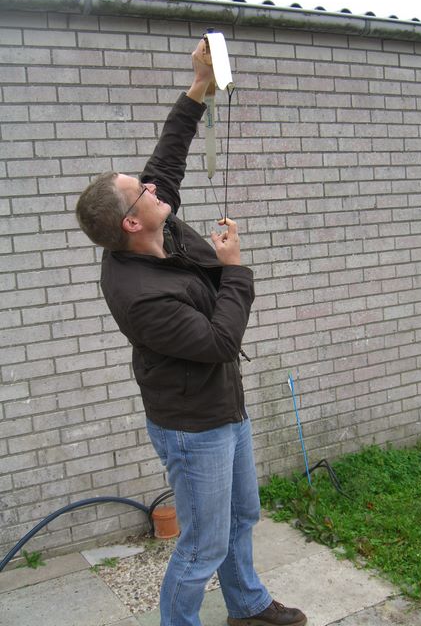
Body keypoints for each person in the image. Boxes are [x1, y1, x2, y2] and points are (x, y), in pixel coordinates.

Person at [76, 38, 307, 626]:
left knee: (242, 516)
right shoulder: (139, 292)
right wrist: (234, 270)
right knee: (201, 545)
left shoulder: (158, 228)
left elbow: (168, 156)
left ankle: (246, 605)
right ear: (132, 222)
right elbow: (219, 342)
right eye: (142, 191)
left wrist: (199, 84)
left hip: (224, 404)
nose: (154, 187)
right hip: (192, 426)